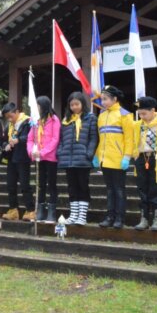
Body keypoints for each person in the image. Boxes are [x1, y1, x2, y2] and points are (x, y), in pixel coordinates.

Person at [93, 85, 134, 229]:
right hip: (105, 159)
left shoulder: (125, 114)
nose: (103, 102)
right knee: (109, 190)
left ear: (114, 99)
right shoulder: (102, 115)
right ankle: (110, 216)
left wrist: (127, 157)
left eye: (105, 99)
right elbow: (101, 138)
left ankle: (120, 217)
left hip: (118, 159)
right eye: (102, 99)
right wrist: (97, 156)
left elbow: (129, 139)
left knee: (119, 190)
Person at [132, 97, 157, 231]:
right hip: (141, 158)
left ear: (153, 111)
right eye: (140, 114)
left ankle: (156, 218)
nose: (142, 116)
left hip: (156, 158)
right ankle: (143, 218)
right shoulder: (138, 125)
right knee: (142, 189)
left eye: (144, 113)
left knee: (156, 189)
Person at [58, 92, 98, 226]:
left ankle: (82, 215)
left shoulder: (90, 118)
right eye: (72, 104)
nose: (74, 107)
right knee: (72, 187)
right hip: (68, 159)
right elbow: (62, 139)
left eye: (77, 104)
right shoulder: (66, 120)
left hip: (83, 159)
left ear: (82, 104)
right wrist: (61, 151)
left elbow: (93, 137)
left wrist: (89, 153)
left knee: (83, 186)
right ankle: (73, 214)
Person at [27, 96, 61, 223]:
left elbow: (55, 139)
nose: (37, 108)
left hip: (50, 158)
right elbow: (30, 139)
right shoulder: (35, 121)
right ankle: (40, 210)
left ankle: (52, 211)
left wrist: (42, 153)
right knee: (40, 184)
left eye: (38, 106)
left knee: (51, 184)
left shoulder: (54, 119)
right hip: (38, 158)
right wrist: (31, 152)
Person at [1, 102, 35, 222]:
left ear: (16, 112)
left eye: (11, 116)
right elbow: (4, 140)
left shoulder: (28, 122)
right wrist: (5, 145)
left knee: (25, 185)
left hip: (23, 157)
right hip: (11, 158)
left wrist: (18, 140)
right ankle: (13, 210)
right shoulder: (9, 125)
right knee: (10, 185)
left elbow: (31, 137)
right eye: (7, 117)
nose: (9, 119)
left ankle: (31, 210)